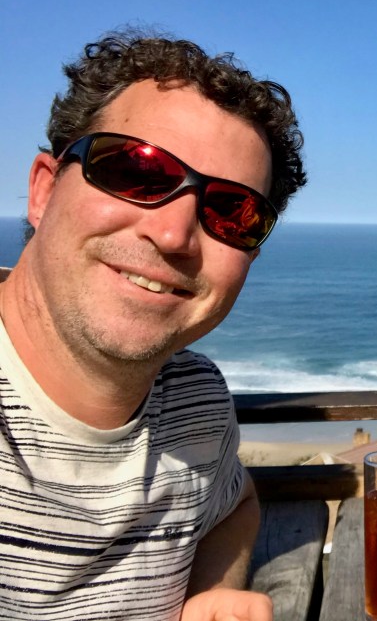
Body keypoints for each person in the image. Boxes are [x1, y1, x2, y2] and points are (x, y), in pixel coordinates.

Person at [0, 30, 306, 620]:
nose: (173, 234)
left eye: (232, 211)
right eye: (137, 171)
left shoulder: (194, 398)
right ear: (43, 190)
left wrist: (212, 591)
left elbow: (234, 506)